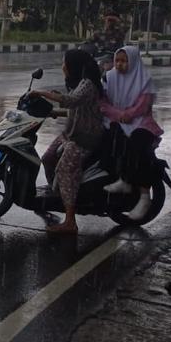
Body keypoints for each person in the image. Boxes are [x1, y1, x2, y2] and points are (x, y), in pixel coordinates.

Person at [31, 49, 106, 236]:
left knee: (65, 170)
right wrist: (54, 112)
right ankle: (57, 194)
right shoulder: (77, 83)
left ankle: (70, 221)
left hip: (85, 137)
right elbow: (76, 109)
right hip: (71, 133)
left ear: (75, 65)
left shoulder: (87, 84)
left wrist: (42, 93)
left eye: (65, 62)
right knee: (48, 158)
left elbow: (71, 101)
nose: (63, 66)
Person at [101, 45, 163, 221]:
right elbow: (102, 103)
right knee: (107, 140)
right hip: (117, 120)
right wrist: (118, 114)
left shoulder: (144, 80)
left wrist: (128, 114)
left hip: (141, 123)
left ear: (133, 61)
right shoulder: (109, 77)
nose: (119, 64)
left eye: (124, 61)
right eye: (117, 60)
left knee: (137, 145)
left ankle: (144, 196)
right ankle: (122, 179)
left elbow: (143, 105)